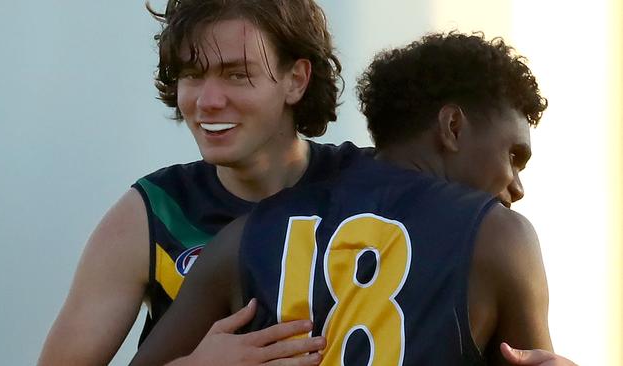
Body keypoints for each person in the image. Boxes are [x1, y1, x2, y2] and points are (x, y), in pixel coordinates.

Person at [130, 32, 578, 365]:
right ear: (453, 127)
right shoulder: (501, 238)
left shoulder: (242, 237)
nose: (517, 185)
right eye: (513, 155)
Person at [37, 0, 365, 364]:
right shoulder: (153, 211)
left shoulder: (367, 186)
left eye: (237, 75)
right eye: (192, 74)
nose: (207, 101)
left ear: (296, 80)